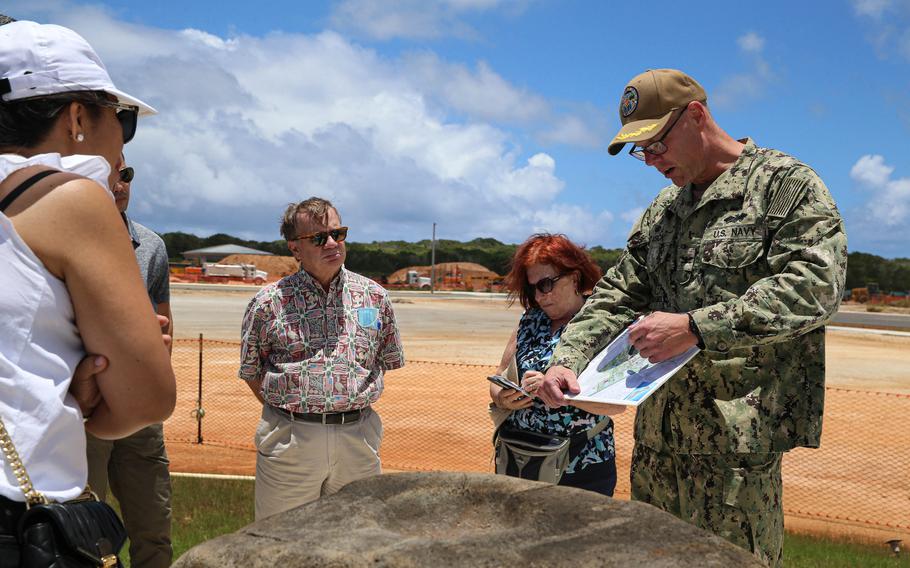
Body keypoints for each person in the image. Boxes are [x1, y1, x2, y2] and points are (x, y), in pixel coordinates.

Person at [537, 69, 847, 566]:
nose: (652, 162)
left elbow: (815, 288)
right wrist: (566, 359)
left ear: (697, 116)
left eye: (656, 145)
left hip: (736, 450)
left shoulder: (785, 187)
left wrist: (696, 328)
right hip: (658, 443)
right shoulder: (663, 211)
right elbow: (617, 292)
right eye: (642, 152)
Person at [0, 20, 175, 565]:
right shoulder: (71, 198)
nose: (121, 140)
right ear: (76, 117)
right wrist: (79, 398)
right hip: (20, 512)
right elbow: (148, 400)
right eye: (121, 119)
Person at [239, 197, 405, 520]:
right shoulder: (268, 303)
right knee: (281, 544)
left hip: (358, 441)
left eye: (337, 233)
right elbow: (251, 370)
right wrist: (293, 413)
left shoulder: (375, 297)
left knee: (358, 542)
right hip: (291, 444)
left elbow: (386, 359)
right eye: (318, 238)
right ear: (295, 249)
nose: (332, 243)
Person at [85, 155, 174, 568]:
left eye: (126, 174)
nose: (119, 184)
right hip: (87, 408)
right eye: (107, 177)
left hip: (139, 409)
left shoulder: (152, 246)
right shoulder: (73, 240)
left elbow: (165, 325)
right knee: (87, 525)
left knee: (153, 524)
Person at [490, 234, 624, 495]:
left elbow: (617, 404)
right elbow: (498, 377)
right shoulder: (530, 321)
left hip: (582, 466)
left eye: (546, 284)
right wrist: (505, 397)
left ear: (574, 278)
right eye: (532, 288)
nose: (540, 296)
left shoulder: (600, 323)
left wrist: (558, 393)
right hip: (520, 458)